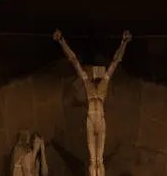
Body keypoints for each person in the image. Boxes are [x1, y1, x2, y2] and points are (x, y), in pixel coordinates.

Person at [53, 30, 131, 176]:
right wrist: (61, 41)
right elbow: (74, 61)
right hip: (92, 120)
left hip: (99, 121)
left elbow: (115, 63)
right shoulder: (89, 85)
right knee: (94, 160)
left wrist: (124, 42)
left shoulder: (103, 85)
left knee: (98, 160)